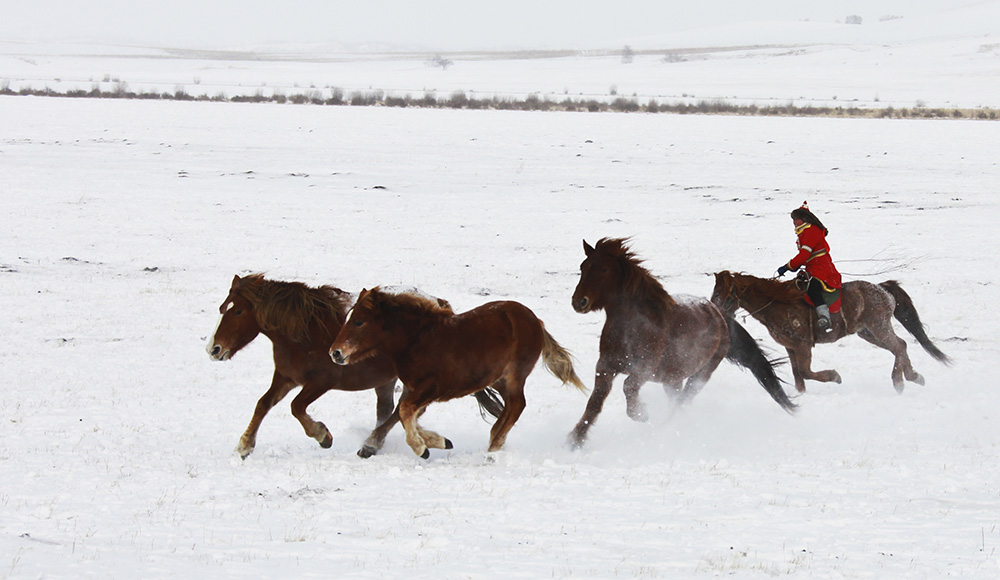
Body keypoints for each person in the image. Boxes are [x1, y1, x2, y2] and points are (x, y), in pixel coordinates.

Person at [776, 201, 842, 333]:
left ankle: (825, 318)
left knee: (812, 288)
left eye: (796, 219)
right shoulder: (804, 232)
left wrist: (788, 266)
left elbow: (804, 254)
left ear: (803, 219)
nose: (794, 222)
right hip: (812, 268)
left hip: (822, 269)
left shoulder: (812, 231)